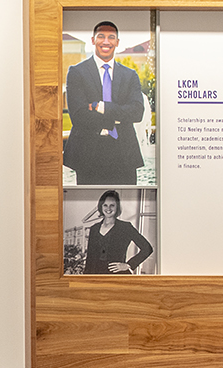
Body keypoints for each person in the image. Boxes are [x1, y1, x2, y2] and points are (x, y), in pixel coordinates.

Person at [63, 21, 145, 186]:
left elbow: (137, 112)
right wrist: (119, 117)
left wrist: (102, 107)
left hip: (124, 152)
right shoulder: (77, 72)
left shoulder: (130, 75)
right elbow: (79, 116)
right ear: (93, 40)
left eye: (111, 37)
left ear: (117, 42)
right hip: (89, 153)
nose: (106, 42)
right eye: (101, 37)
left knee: (126, 203)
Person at [82, 190, 153, 274]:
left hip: (117, 275)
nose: (108, 208)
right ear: (101, 206)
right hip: (95, 276)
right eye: (105, 205)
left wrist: (129, 265)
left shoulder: (125, 227)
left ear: (117, 207)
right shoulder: (94, 228)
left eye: (112, 205)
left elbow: (147, 248)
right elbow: (90, 258)